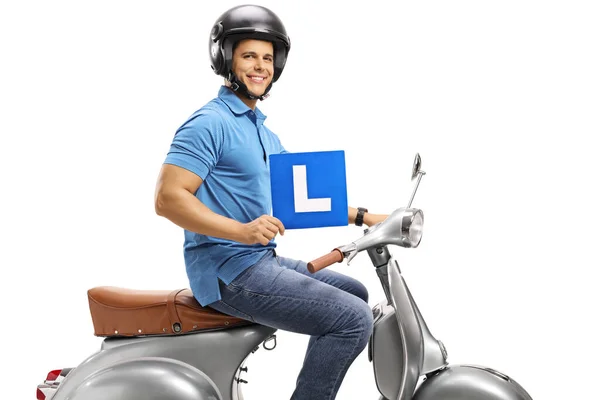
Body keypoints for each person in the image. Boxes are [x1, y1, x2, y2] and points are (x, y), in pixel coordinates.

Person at [154, 5, 388, 399]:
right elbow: (167, 198)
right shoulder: (209, 122)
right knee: (352, 319)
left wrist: (363, 216)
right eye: (249, 56)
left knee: (355, 295)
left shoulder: (261, 131)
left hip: (260, 260)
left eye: (267, 58)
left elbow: (299, 198)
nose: (260, 66)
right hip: (229, 270)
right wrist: (240, 231)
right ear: (227, 60)